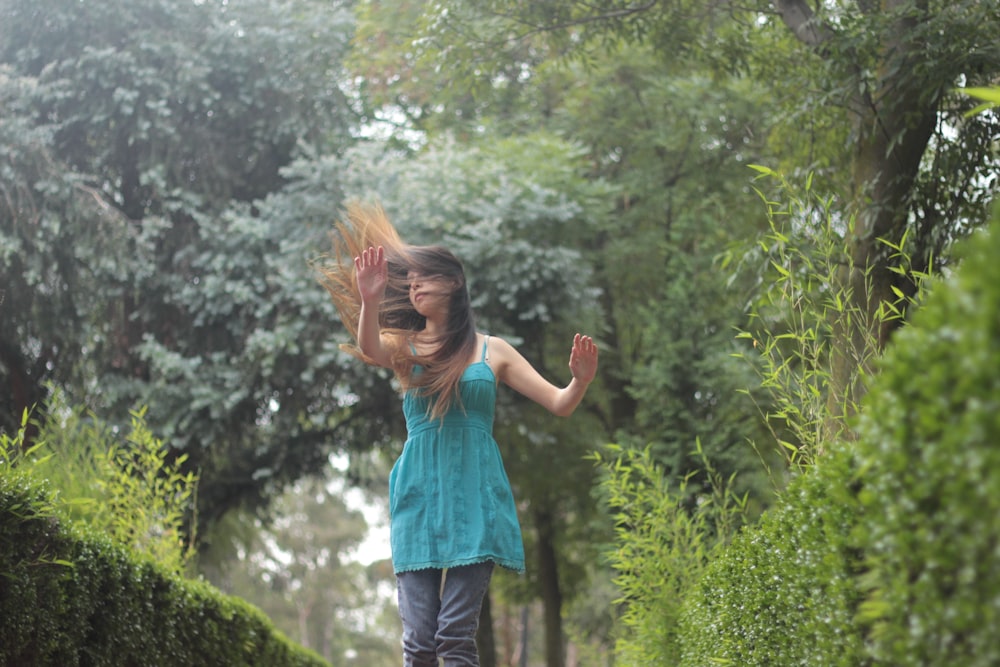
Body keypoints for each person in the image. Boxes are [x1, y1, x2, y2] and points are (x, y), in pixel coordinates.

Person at [319, 202, 598, 667]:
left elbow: (559, 403)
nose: (413, 287)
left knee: (454, 638)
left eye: (423, 279)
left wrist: (582, 380)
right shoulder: (407, 347)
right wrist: (369, 300)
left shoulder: (494, 351)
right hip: (419, 499)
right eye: (407, 283)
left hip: (477, 499)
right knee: (420, 644)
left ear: (453, 282)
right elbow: (369, 349)